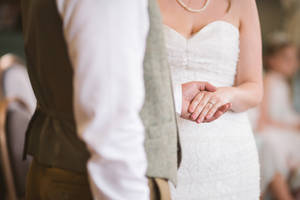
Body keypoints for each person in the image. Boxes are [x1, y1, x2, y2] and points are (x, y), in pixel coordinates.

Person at [21, 0, 229, 199]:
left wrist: (171, 98)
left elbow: (91, 81)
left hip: (59, 167)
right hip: (92, 180)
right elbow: (110, 118)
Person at [157, 0, 263, 199]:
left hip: (230, 153)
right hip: (163, 149)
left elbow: (254, 87)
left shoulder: (242, 3)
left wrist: (226, 94)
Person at [254, 34, 300, 200]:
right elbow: (264, 118)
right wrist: (291, 127)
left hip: (282, 130)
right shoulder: (269, 80)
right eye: (287, 59)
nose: (294, 64)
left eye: (295, 59)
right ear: (271, 60)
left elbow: (286, 113)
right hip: (270, 129)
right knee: (274, 146)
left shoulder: (285, 84)